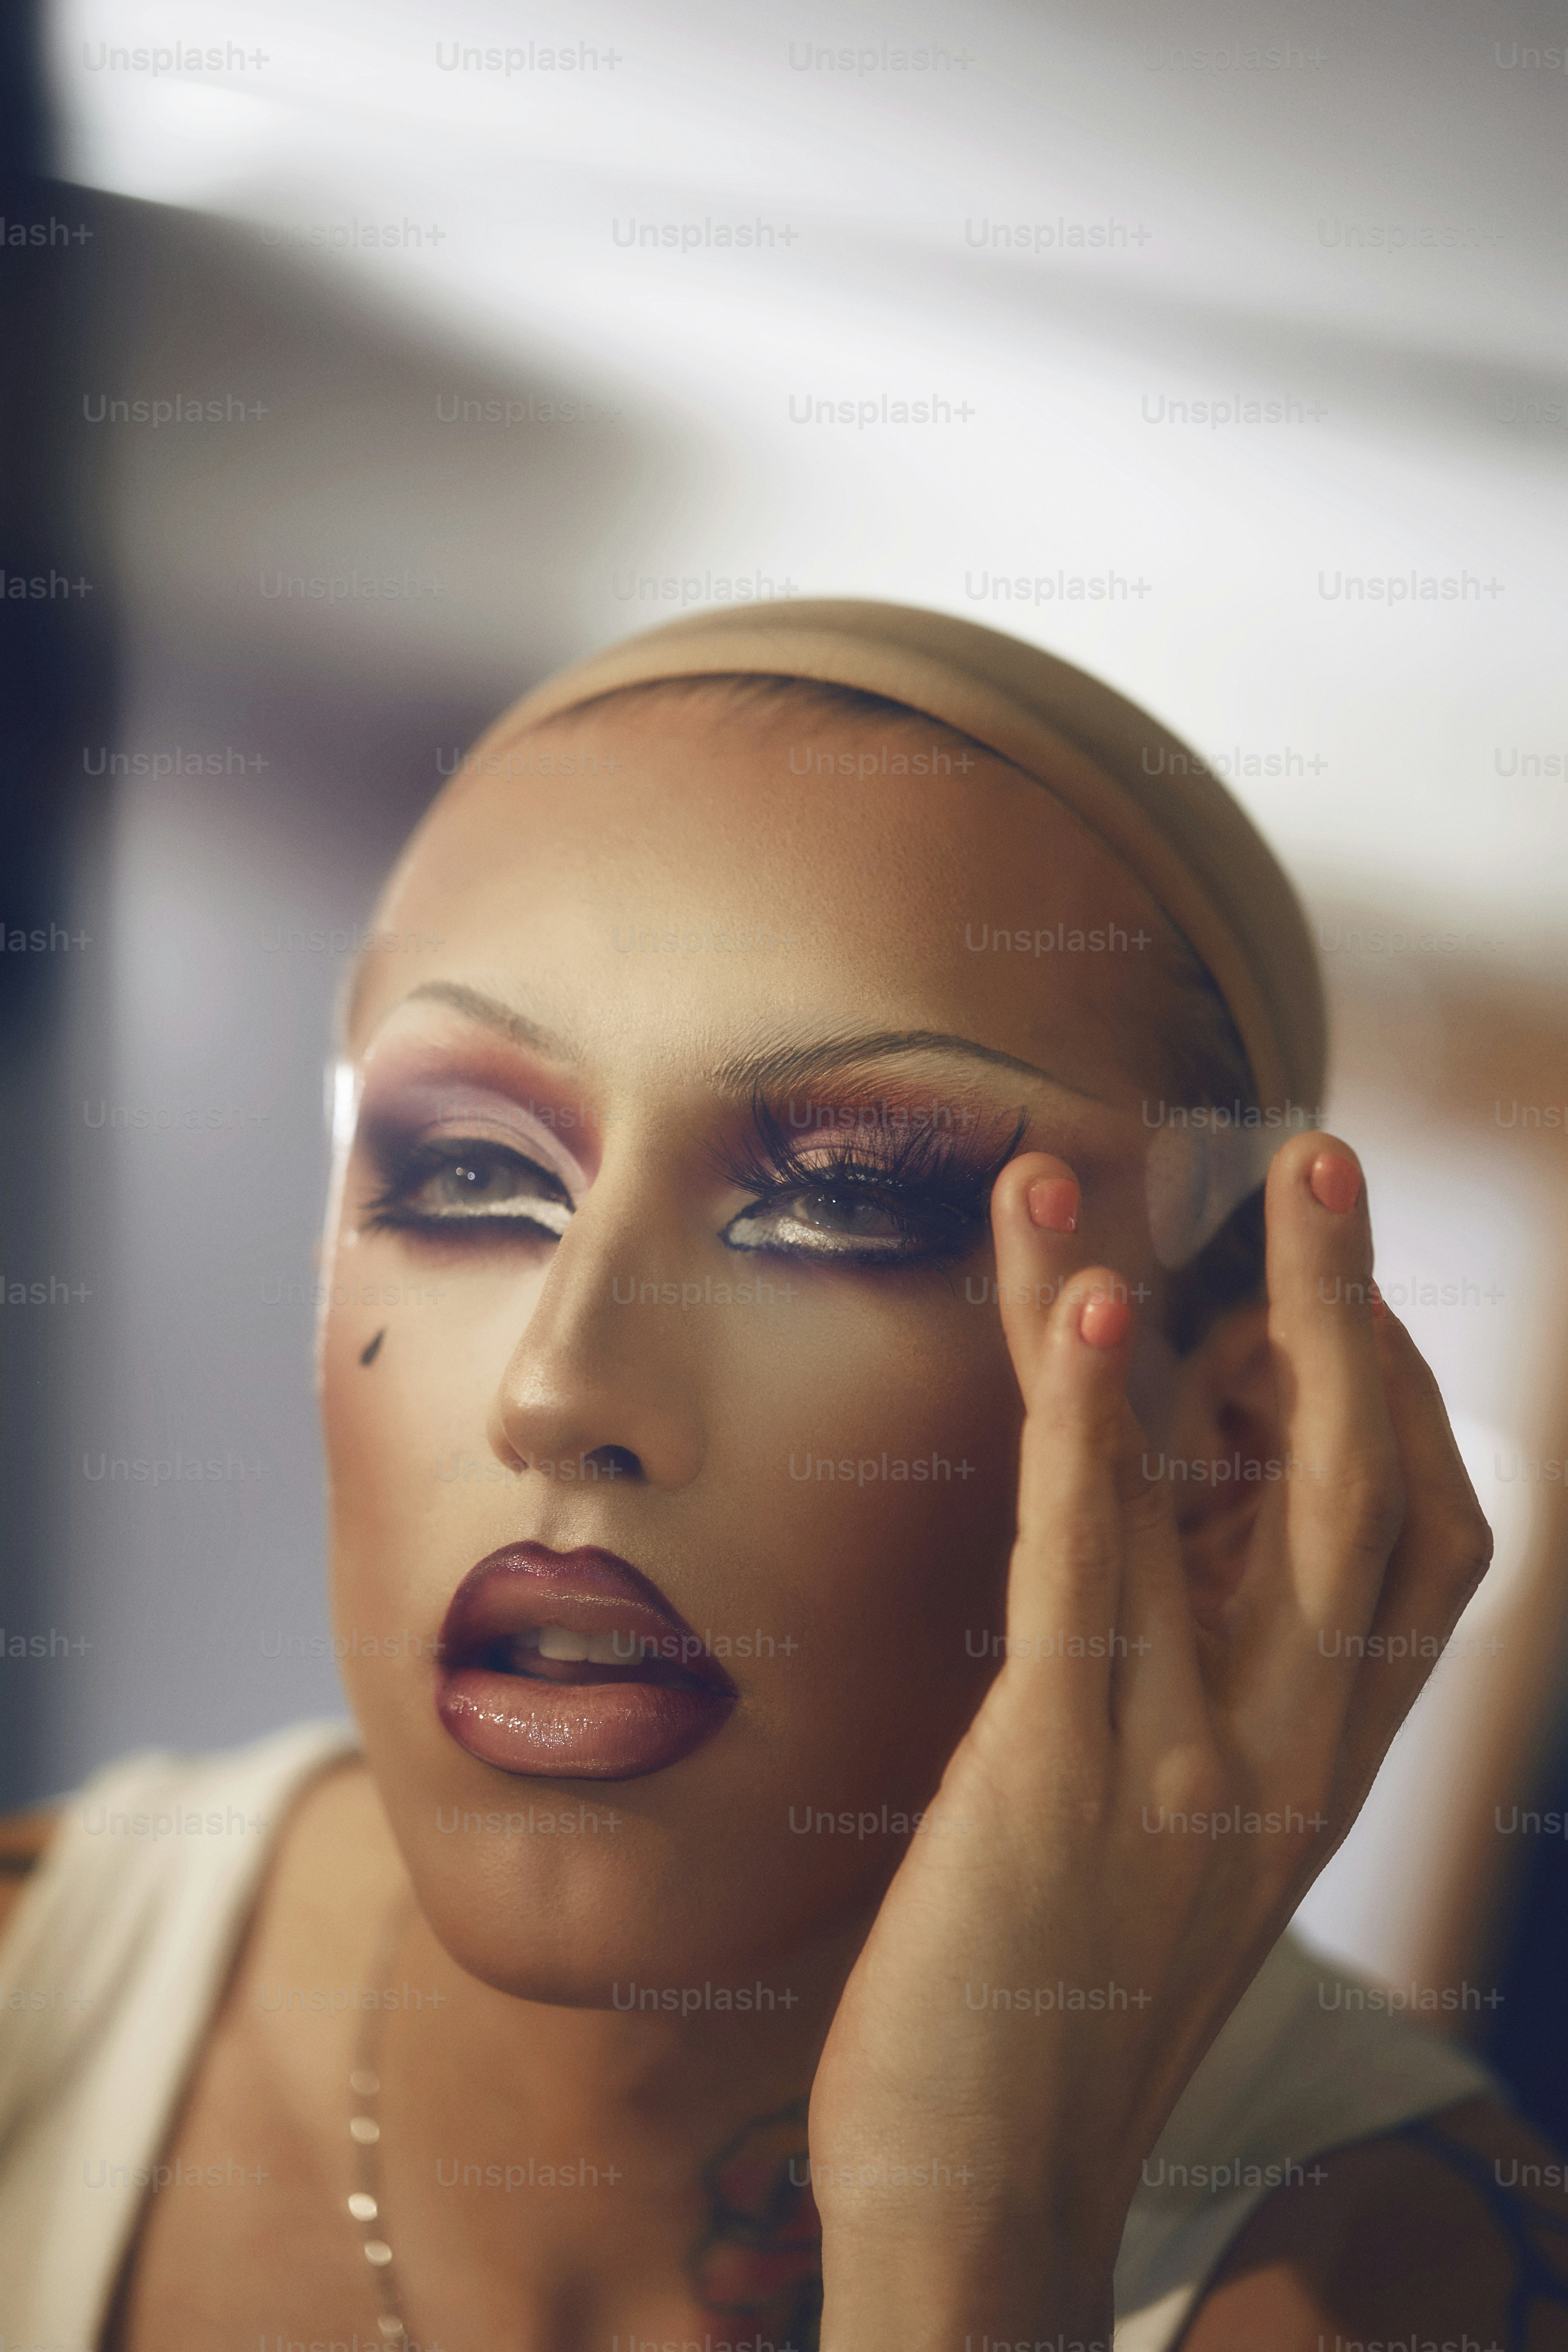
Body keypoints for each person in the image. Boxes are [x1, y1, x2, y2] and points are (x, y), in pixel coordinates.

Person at [2, 600, 1564, 2352]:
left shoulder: (1412, 2284)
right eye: (470, 1179)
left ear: (1225, 1455)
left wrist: (968, 2244)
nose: (562, 1389)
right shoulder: (31, 2001)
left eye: (842, 1204)